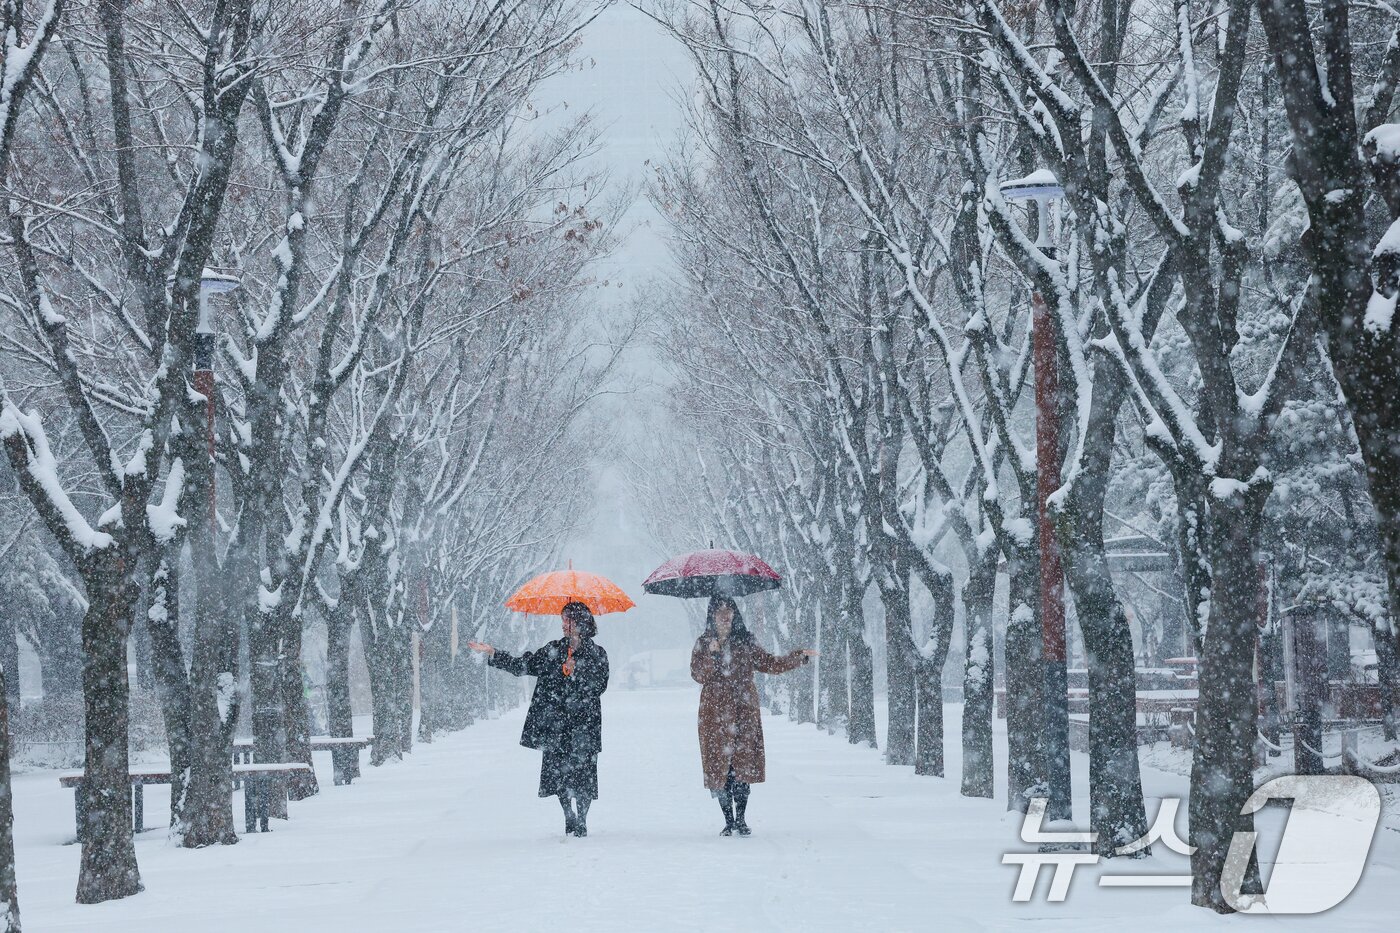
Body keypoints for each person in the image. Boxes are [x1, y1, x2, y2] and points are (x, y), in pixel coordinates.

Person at [467, 601, 609, 837]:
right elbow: (524, 665)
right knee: (560, 773)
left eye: (568, 619)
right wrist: (494, 653)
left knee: (584, 775)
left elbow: (599, 685)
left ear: (580, 622)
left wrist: (577, 672)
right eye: (563, 619)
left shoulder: (598, 654)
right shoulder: (553, 650)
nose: (563, 624)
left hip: (585, 724)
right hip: (557, 725)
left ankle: (582, 818)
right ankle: (568, 815)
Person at [690, 595, 816, 836]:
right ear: (712, 616)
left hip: (743, 711)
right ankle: (728, 820)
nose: (725, 615)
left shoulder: (745, 641)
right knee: (720, 768)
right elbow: (697, 674)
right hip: (714, 714)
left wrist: (798, 657)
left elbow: (769, 663)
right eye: (720, 611)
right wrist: (713, 656)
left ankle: (742, 818)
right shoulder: (704, 643)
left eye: (729, 610)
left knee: (741, 765)